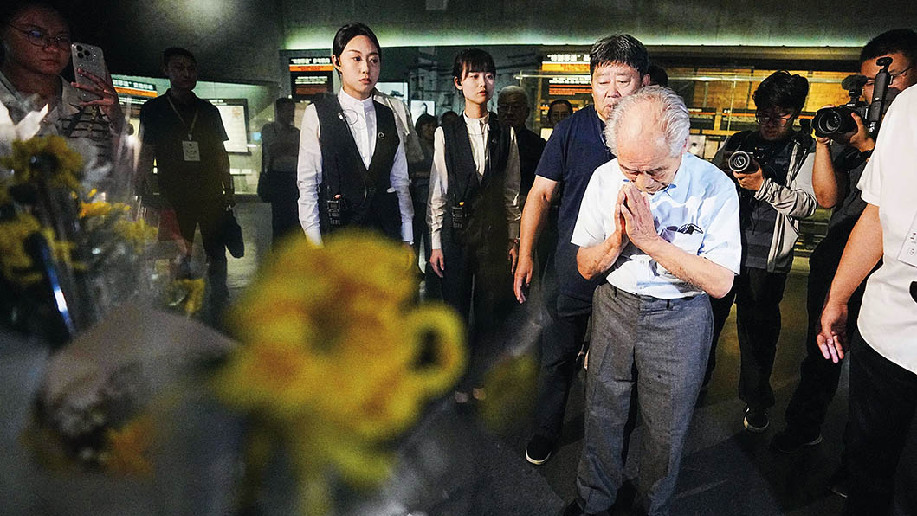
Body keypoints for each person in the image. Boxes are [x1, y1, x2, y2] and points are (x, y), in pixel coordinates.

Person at [565, 86, 740, 516]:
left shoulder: (714, 187)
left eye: (656, 171)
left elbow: (719, 282)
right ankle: (595, 500)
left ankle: (651, 506)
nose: (642, 183)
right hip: (615, 305)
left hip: (680, 314)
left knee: (667, 424)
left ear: (684, 143)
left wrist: (651, 242)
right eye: (631, 169)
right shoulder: (605, 178)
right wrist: (617, 240)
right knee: (602, 411)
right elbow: (585, 266)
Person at [774, 30, 917, 461]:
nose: (880, 90)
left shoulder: (905, 124)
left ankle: (858, 458)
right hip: (842, 250)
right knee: (821, 349)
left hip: (891, 264)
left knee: (877, 368)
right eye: (871, 81)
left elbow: (893, 191)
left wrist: (871, 146)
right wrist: (824, 142)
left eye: (889, 79)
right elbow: (827, 198)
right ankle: (805, 427)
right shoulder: (853, 125)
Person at [513, 34, 649, 466]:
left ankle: (610, 448)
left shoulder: (655, 131)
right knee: (557, 356)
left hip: (630, 274)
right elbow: (539, 194)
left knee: (618, 372)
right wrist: (526, 253)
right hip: (573, 268)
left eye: (622, 80)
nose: (611, 91)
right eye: (602, 80)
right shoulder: (571, 130)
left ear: (642, 82)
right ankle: (546, 429)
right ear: (590, 84)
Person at [816, 82, 917, 516]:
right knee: (868, 465)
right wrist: (838, 296)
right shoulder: (910, 107)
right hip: (885, 332)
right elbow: (874, 211)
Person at [708, 70, 816, 432]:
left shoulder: (805, 149)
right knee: (705, 325)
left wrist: (763, 185)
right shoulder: (740, 139)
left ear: (796, 112)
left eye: (780, 113)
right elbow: (710, 184)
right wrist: (724, 174)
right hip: (723, 252)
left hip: (766, 259)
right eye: (764, 112)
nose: (770, 121)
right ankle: (696, 383)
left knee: (757, 335)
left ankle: (756, 400)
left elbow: (807, 204)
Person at [427, 48, 521, 403]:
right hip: (456, 231)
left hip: (493, 233)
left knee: (487, 307)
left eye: (489, 75)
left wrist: (513, 238)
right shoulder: (446, 131)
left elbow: (512, 189)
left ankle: (478, 376)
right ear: (458, 83)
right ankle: (455, 378)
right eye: (474, 76)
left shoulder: (504, 130)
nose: (483, 83)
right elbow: (438, 188)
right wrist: (435, 240)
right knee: (453, 307)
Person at [296, 23, 413, 246]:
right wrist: (315, 245)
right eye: (356, 58)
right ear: (337, 61)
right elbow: (309, 184)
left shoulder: (389, 116)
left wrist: (408, 239)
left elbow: (400, 181)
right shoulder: (318, 114)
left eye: (373, 59)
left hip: (384, 236)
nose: (366, 68)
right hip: (338, 236)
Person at [138, 47, 234, 291]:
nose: (186, 73)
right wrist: (148, 188)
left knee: (216, 250)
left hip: (210, 191)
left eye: (191, 69)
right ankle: (183, 299)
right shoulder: (154, 109)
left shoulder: (209, 111)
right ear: (166, 70)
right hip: (174, 192)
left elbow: (220, 152)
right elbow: (147, 151)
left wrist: (228, 186)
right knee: (179, 250)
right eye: (179, 68)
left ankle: (219, 299)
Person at [0, 1, 123, 174]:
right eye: (35, 34)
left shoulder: (92, 106)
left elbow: (118, 174)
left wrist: (116, 119)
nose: (52, 46)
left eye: (62, 38)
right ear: (4, 34)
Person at [259, 97, 300, 244]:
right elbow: (273, 150)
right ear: (278, 112)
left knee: (295, 218)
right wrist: (289, 147)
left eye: (292, 110)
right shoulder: (269, 129)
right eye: (287, 110)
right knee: (279, 218)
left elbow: (298, 151)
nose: (291, 114)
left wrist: (284, 146)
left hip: (294, 178)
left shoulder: (296, 132)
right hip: (277, 178)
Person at [497, 85, 545, 198]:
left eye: (516, 107)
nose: (509, 112)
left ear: (527, 112)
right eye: (504, 107)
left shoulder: (538, 146)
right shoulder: (489, 141)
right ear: (498, 111)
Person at [409, 112, 436, 264]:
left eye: (433, 126)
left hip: (432, 198)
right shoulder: (416, 145)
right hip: (417, 196)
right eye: (428, 126)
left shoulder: (437, 145)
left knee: (430, 236)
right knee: (415, 233)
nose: (431, 129)